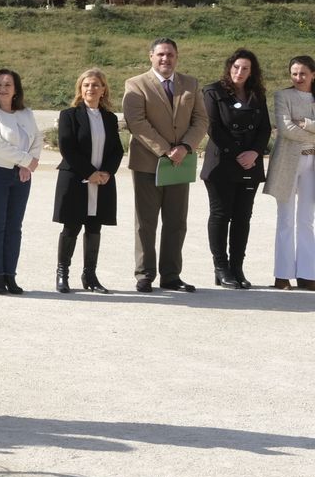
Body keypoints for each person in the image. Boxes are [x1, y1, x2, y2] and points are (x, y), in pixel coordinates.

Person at [122, 38, 209, 293]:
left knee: (176, 221)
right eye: (160, 54)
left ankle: (171, 275)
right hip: (149, 163)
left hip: (180, 163)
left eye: (170, 55)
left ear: (177, 57)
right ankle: (145, 274)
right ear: (151, 56)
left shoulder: (190, 84)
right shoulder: (136, 85)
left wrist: (185, 147)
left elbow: (201, 120)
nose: (165, 59)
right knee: (146, 222)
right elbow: (136, 123)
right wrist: (165, 150)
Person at [202, 49, 270, 289]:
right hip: (222, 163)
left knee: (243, 217)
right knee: (221, 216)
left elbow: (265, 129)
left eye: (245, 68)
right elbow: (213, 127)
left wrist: (254, 153)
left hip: (250, 163)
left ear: (252, 72)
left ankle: (237, 267)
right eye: (236, 67)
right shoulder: (213, 91)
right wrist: (238, 153)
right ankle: (221, 268)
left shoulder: (256, 94)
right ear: (229, 67)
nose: (240, 72)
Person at [52, 69, 123, 294]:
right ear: (80, 90)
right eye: (86, 85)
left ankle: (90, 276)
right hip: (76, 179)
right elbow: (67, 147)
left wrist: (106, 173)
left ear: (103, 90)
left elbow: (117, 150)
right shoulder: (69, 115)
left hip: (102, 181)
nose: (90, 89)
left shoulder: (110, 118)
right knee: (71, 226)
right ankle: (62, 274)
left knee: (94, 227)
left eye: (95, 85)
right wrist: (89, 173)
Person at [0, 69, 41, 295]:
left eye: (8, 85)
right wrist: (26, 160)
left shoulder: (26, 113)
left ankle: (9, 275)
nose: (3, 88)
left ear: (16, 90)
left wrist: (27, 165)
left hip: (21, 175)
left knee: (15, 227)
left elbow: (37, 139)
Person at [266, 55, 315, 290]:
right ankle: (282, 274)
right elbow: (286, 129)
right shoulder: (282, 96)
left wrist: (306, 123)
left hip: (312, 164)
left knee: (306, 220)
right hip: (288, 162)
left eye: (303, 73)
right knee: (285, 219)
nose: (298, 78)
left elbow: (297, 126)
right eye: (294, 73)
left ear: (313, 74)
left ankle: (307, 273)